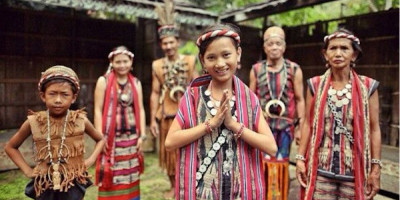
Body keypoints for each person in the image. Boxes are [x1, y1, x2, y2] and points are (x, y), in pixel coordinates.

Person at [165, 23, 278, 200]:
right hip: (203, 193)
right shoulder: (193, 97)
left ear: (238, 54)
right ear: (202, 60)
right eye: (211, 57)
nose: (220, 63)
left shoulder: (248, 99)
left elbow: (271, 147)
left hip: (240, 193)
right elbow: (170, 142)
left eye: (226, 55)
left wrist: (232, 125)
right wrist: (211, 124)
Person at [296, 28, 381, 200]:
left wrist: (375, 168)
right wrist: (299, 159)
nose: (338, 53)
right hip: (320, 170)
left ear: (354, 55)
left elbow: (374, 129)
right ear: (325, 54)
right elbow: (307, 124)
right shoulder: (315, 85)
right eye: (333, 48)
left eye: (344, 48)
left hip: (355, 172)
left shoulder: (368, 87)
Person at [4, 65, 105, 200]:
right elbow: (10, 147)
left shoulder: (80, 120)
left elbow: (101, 139)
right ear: (43, 96)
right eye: (52, 94)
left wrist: (90, 160)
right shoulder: (34, 121)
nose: (58, 100)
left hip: (72, 181)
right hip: (45, 183)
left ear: (73, 98)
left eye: (64, 94)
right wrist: (27, 170)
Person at [249, 26, 305, 200]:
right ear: (264, 47)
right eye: (270, 43)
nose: (274, 47)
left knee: (282, 165)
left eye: (278, 43)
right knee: (261, 166)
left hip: (285, 128)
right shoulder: (256, 70)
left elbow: (300, 99)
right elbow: (250, 100)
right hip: (262, 127)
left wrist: (300, 128)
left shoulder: (294, 69)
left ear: (284, 46)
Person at [151, 0, 197, 198]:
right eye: (165, 43)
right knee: (169, 152)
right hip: (167, 113)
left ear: (178, 42)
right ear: (161, 45)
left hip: (187, 113)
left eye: (172, 42)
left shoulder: (189, 61)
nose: (168, 46)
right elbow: (154, 92)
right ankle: (173, 185)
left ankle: (188, 182)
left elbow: (197, 85)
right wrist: (153, 117)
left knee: (189, 149)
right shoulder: (157, 65)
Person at [94, 46, 146, 200]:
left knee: (131, 173)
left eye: (125, 61)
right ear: (112, 62)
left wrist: (142, 136)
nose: (122, 65)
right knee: (112, 173)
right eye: (118, 62)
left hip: (131, 138)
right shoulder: (103, 81)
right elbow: (97, 109)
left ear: (131, 62)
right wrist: (99, 138)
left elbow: (141, 109)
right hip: (110, 138)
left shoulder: (136, 83)